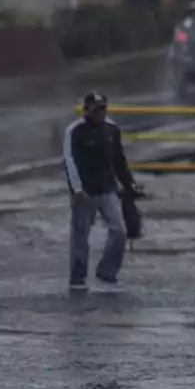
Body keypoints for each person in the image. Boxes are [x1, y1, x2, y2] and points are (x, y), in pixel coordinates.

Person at [63, 92, 138, 291]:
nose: (101, 113)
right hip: (84, 193)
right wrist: (76, 188)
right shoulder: (75, 131)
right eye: (97, 109)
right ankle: (77, 278)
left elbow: (119, 160)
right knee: (80, 236)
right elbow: (70, 161)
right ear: (87, 110)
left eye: (104, 108)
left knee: (119, 231)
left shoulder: (112, 129)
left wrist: (129, 184)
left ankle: (107, 274)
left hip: (108, 189)